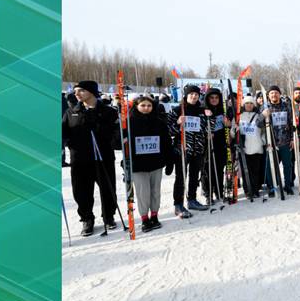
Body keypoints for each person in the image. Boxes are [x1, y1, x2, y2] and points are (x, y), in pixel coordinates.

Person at [61, 80, 120, 236]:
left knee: (107, 188)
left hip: (103, 157)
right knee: (81, 191)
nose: (76, 94)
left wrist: (115, 140)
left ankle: (109, 216)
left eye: (80, 91)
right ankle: (87, 219)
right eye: (75, 91)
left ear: (92, 92)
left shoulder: (108, 111)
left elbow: (116, 133)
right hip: (80, 159)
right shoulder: (71, 112)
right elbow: (63, 133)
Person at [128, 95, 172, 232]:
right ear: (136, 106)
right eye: (143, 106)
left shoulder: (159, 122)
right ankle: (144, 218)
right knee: (142, 193)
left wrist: (169, 161)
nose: (146, 108)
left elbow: (166, 142)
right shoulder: (129, 122)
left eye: (149, 106)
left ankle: (154, 215)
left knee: (155, 191)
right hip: (138, 164)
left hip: (155, 163)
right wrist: (121, 140)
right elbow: (117, 142)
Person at [167, 85, 212, 218]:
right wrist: (177, 123)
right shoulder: (177, 110)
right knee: (181, 177)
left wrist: (209, 119)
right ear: (186, 96)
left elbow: (207, 130)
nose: (194, 96)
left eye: (196, 95)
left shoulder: (202, 110)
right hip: (182, 150)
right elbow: (168, 131)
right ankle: (178, 204)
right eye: (191, 94)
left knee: (194, 176)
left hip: (198, 149)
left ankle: (192, 200)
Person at [261, 85, 295, 196]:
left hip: (285, 142)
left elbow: (291, 123)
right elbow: (257, 124)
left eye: (276, 92)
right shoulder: (265, 107)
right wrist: (263, 115)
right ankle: (272, 187)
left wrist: (292, 139)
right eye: (271, 93)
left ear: (279, 94)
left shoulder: (286, 106)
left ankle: (288, 185)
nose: (274, 95)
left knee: (287, 165)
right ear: (268, 95)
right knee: (271, 166)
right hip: (271, 143)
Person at [202, 87, 233, 202]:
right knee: (208, 169)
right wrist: (207, 133)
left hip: (221, 143)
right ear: (208, 99)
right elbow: (200, 127)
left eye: (216, 98)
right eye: (212, 98)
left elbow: (229, 127)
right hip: (208, 144)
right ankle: (208, 194)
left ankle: (219, 192)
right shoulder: (204, 110)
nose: (214, 100)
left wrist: (228, 125)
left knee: (220, 168)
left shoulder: (222, 110)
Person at [238, 95, 266, 198]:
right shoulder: (239, 117)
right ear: (243, 105)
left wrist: (263, 141)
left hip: (256, 146)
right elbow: (233, 131)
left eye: (251, 103)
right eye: (247, 103)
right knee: (246, 171)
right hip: (244, 148)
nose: (249, 105)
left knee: (255, 170)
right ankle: (247, 190)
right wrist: (233, 130)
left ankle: (255, 189)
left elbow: (263, 131)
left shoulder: (258, 116)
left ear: (254, 105)